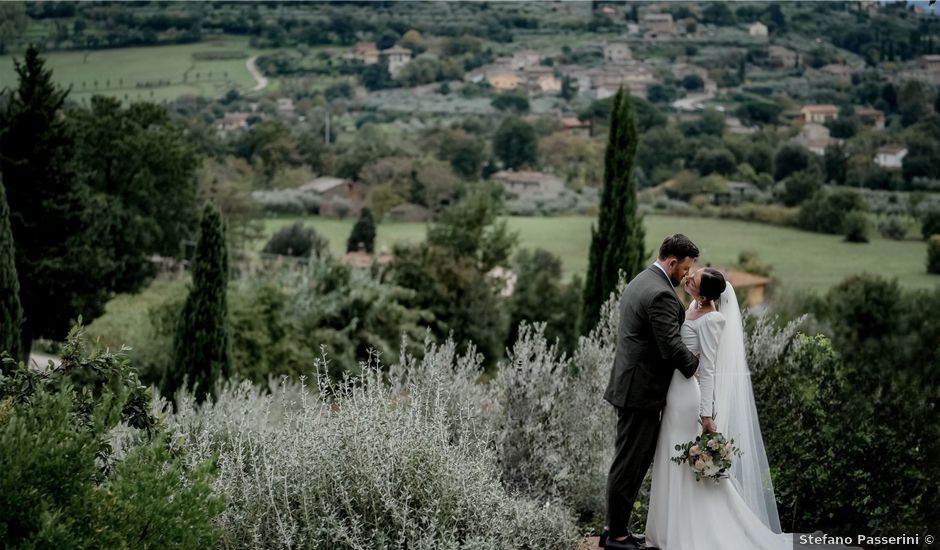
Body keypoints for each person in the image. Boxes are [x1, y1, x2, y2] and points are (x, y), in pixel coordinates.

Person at [643, 267, 859, 550]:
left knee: (679, 457)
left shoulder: (712, 320)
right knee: (669, 454)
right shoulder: (693, 305)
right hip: (672, 392)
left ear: (705, 293)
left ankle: (686, 530)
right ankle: (665, 528)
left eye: (693, 279)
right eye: (691, 273)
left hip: (687, 398)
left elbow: (707, 370)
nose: (687, 277)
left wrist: (707, 415)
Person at [602, 234, 701, 550]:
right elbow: (671, 347)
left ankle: (613, 528)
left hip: (632, 385)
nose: (686, 275)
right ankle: (616, 536)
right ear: (672, 262)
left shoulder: (640, 280)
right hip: (640, 391)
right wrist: (698, 365)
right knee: (630, 463)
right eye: (685, 268)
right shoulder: (660, 294)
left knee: (627, 459)